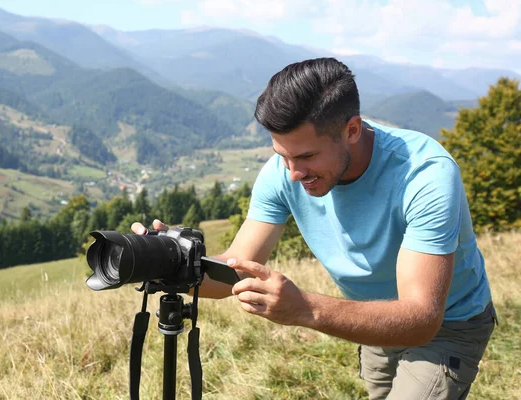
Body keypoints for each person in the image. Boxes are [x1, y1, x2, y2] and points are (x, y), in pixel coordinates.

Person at [132, 57, 497, 399]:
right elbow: (232, 272)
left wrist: (306, 308)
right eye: (282, 154)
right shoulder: (282, 174)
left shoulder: (425, 175)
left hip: (448, 324)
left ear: (351, 130)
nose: (293, 173)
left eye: (306, 156)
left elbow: (421, 320)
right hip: (370, 319)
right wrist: (168, 262)